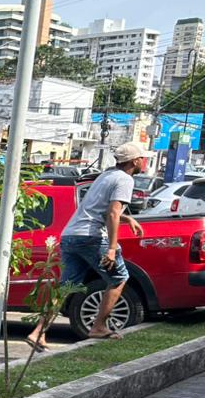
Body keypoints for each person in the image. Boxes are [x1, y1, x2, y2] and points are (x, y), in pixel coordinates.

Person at [28, 141, 146, 349]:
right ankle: (98, 326)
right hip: (91, 237)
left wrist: (128, 219)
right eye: (142, 159)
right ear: (135, 161)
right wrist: (111, 248)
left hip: (71, 234)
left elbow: (97, 208)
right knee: (119, 278)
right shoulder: (125, 180)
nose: (144, 162)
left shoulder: (106, 176)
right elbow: (111, 213)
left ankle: (38, 332)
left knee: (66, 287)